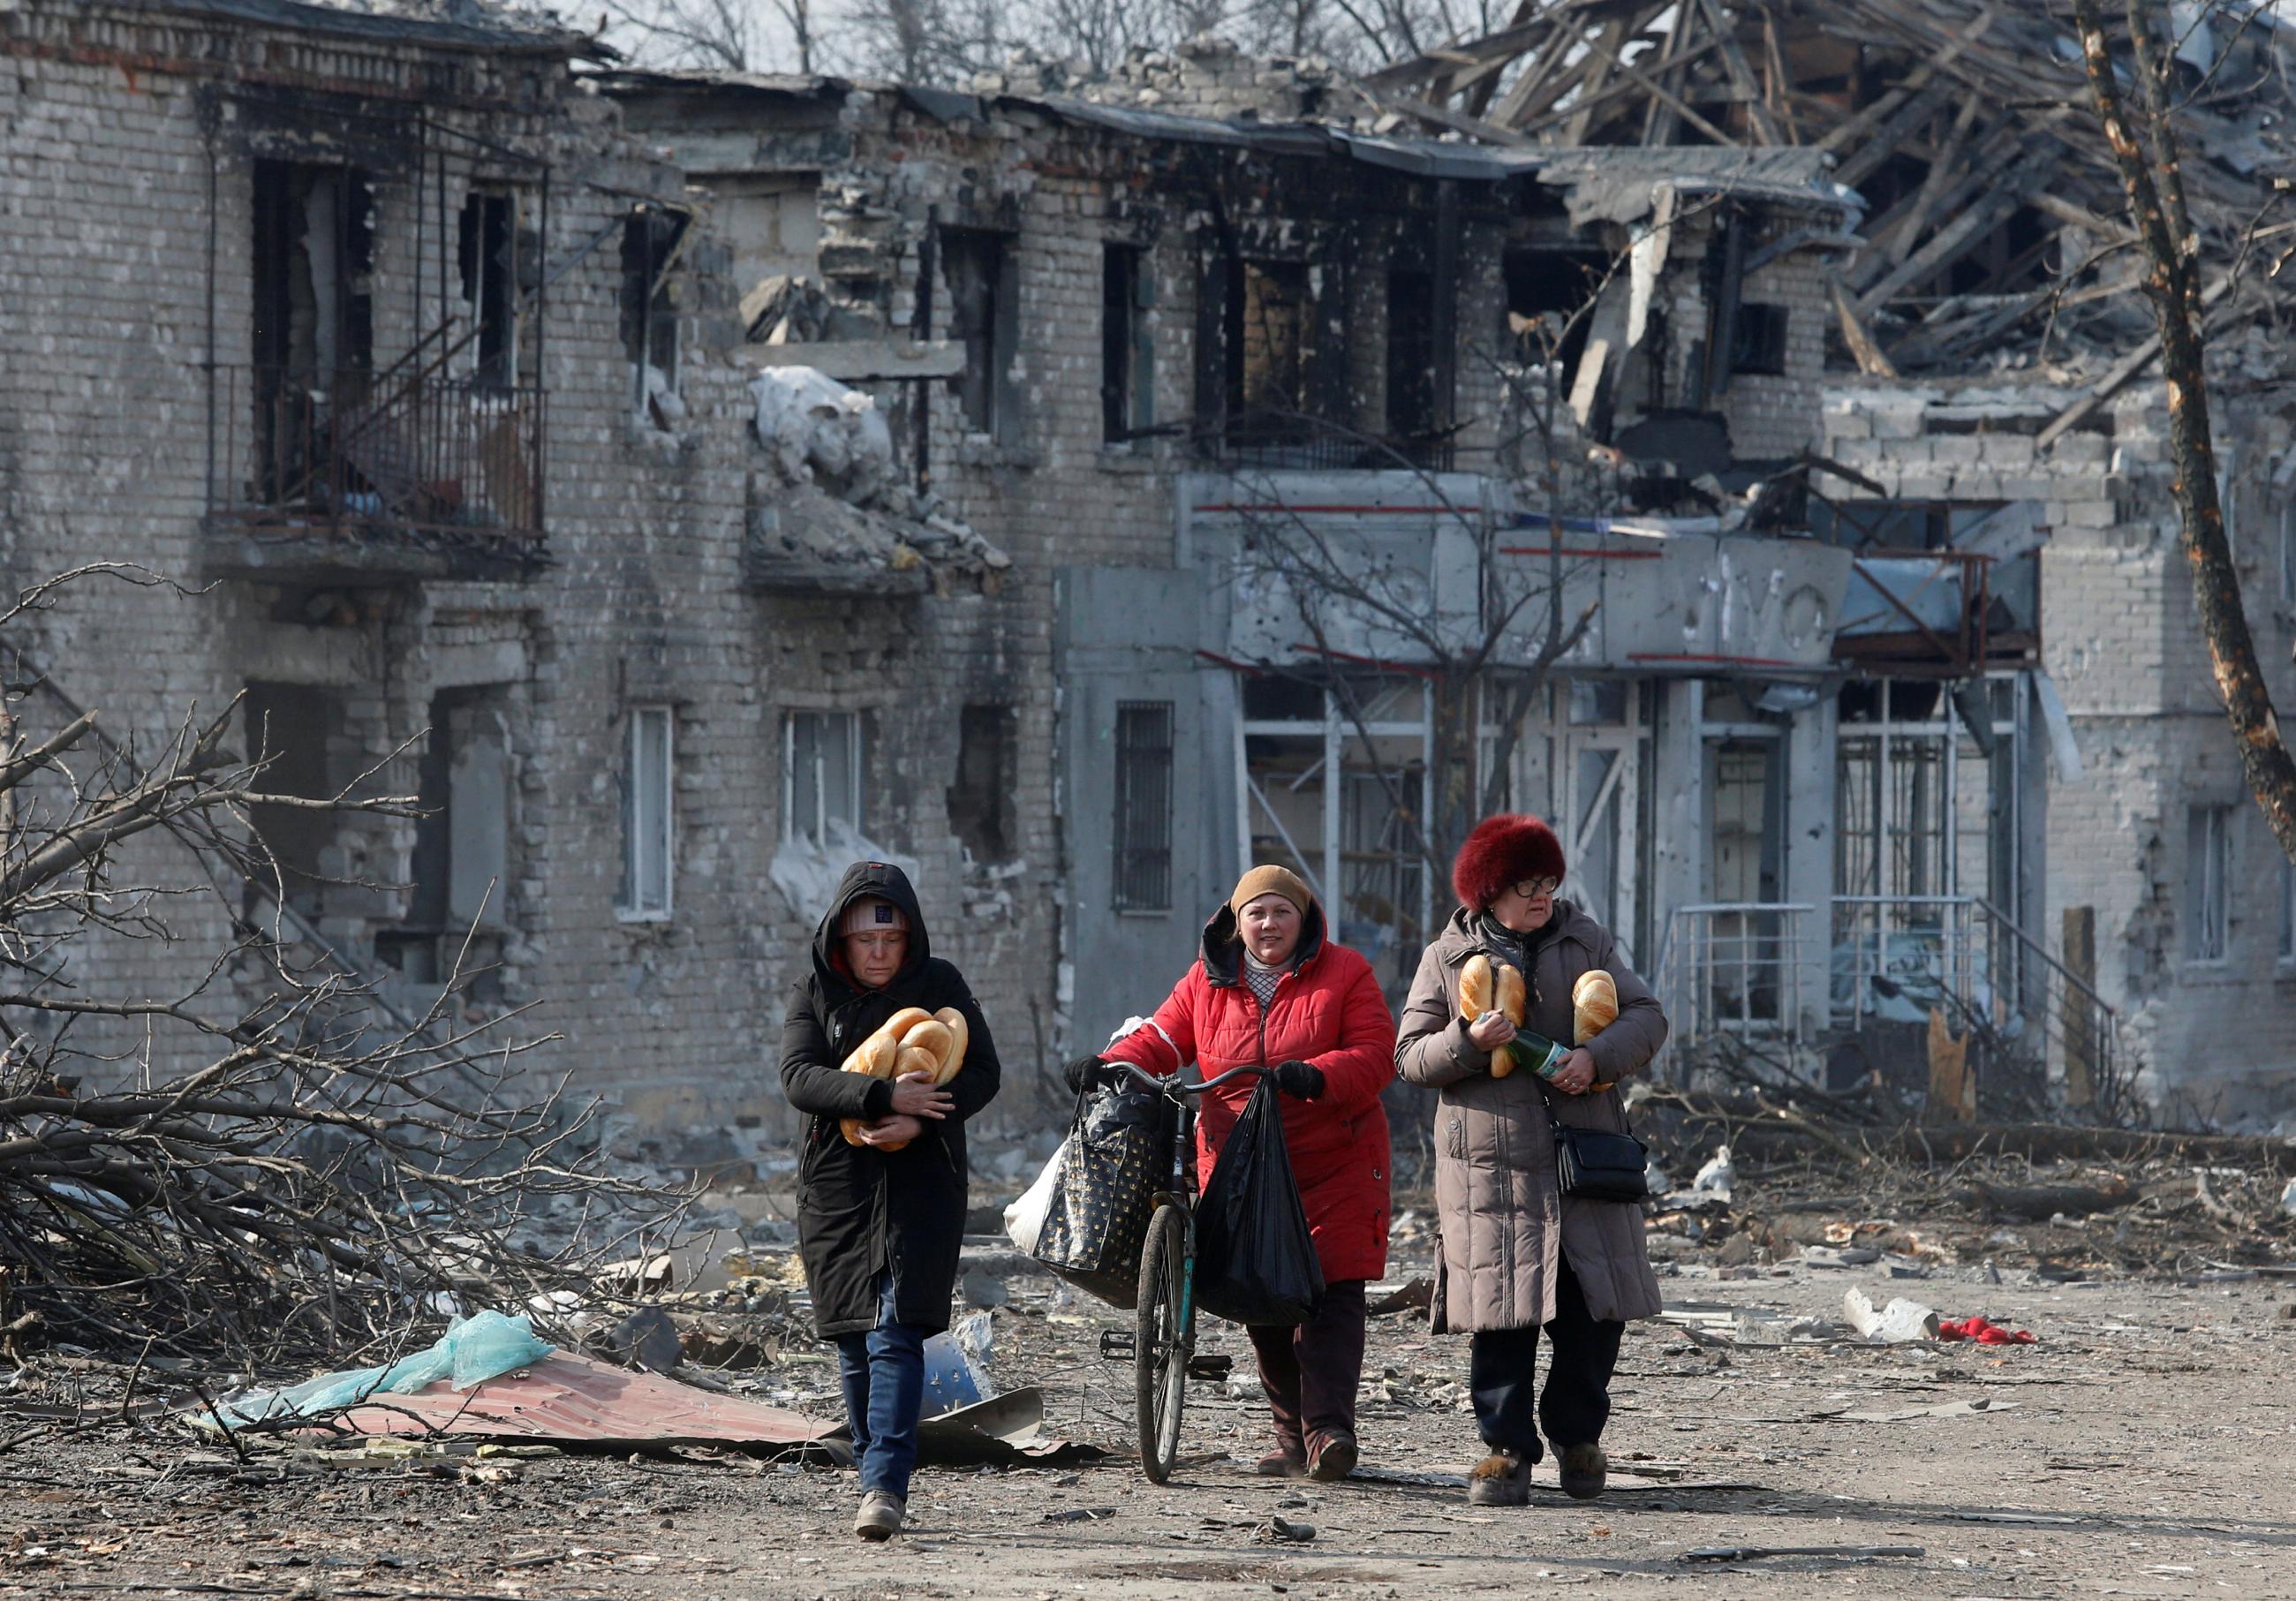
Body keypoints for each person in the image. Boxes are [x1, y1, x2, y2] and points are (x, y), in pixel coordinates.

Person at [1069, 865, 1396, 1482]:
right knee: (1261, 1292)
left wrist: (1319, 1075)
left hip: (1333, 1159)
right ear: (1236, 921)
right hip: (1241, 1165)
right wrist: (1110, 1064)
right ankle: (1290, 1439)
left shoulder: (1346, 972)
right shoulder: (1205, 981)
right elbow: (1163, 1036)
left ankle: (1328, 1430)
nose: (1268, 924)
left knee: (1329, 1295)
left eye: (1281, 912)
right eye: (1257, 913)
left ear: (1304, 919)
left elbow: (1378, 1052)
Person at [1394, 814, 1666, 1506]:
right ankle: (1505, 1452)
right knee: (1502, 1319)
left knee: (1592, 1314)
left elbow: (1646, 1016)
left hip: (1584, 1162)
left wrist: (1593, 1057)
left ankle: (1580, 1441)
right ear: (1489, 892)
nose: (1541, 895)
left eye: (1547, 881)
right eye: (1524, 885)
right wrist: (1465, 1038)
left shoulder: (1587, 940)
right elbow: (1410, 1056)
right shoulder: (1447, 956)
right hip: (1492, 1170)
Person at [780, 861, 1001, 1541]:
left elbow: (985, 1072)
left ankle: (884, 1485)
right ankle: (873, 1468)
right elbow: (799, 1075)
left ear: (910, 938)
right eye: (863, 942)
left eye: (890, 940)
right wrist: (879, 1096)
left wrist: (923, 1116)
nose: (877, 954)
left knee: (895, 1330)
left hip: (921, 1185)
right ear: (839, 942)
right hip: (839, 1186)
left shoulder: (941, 987)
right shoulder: (814, 990)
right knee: (851, 1334)